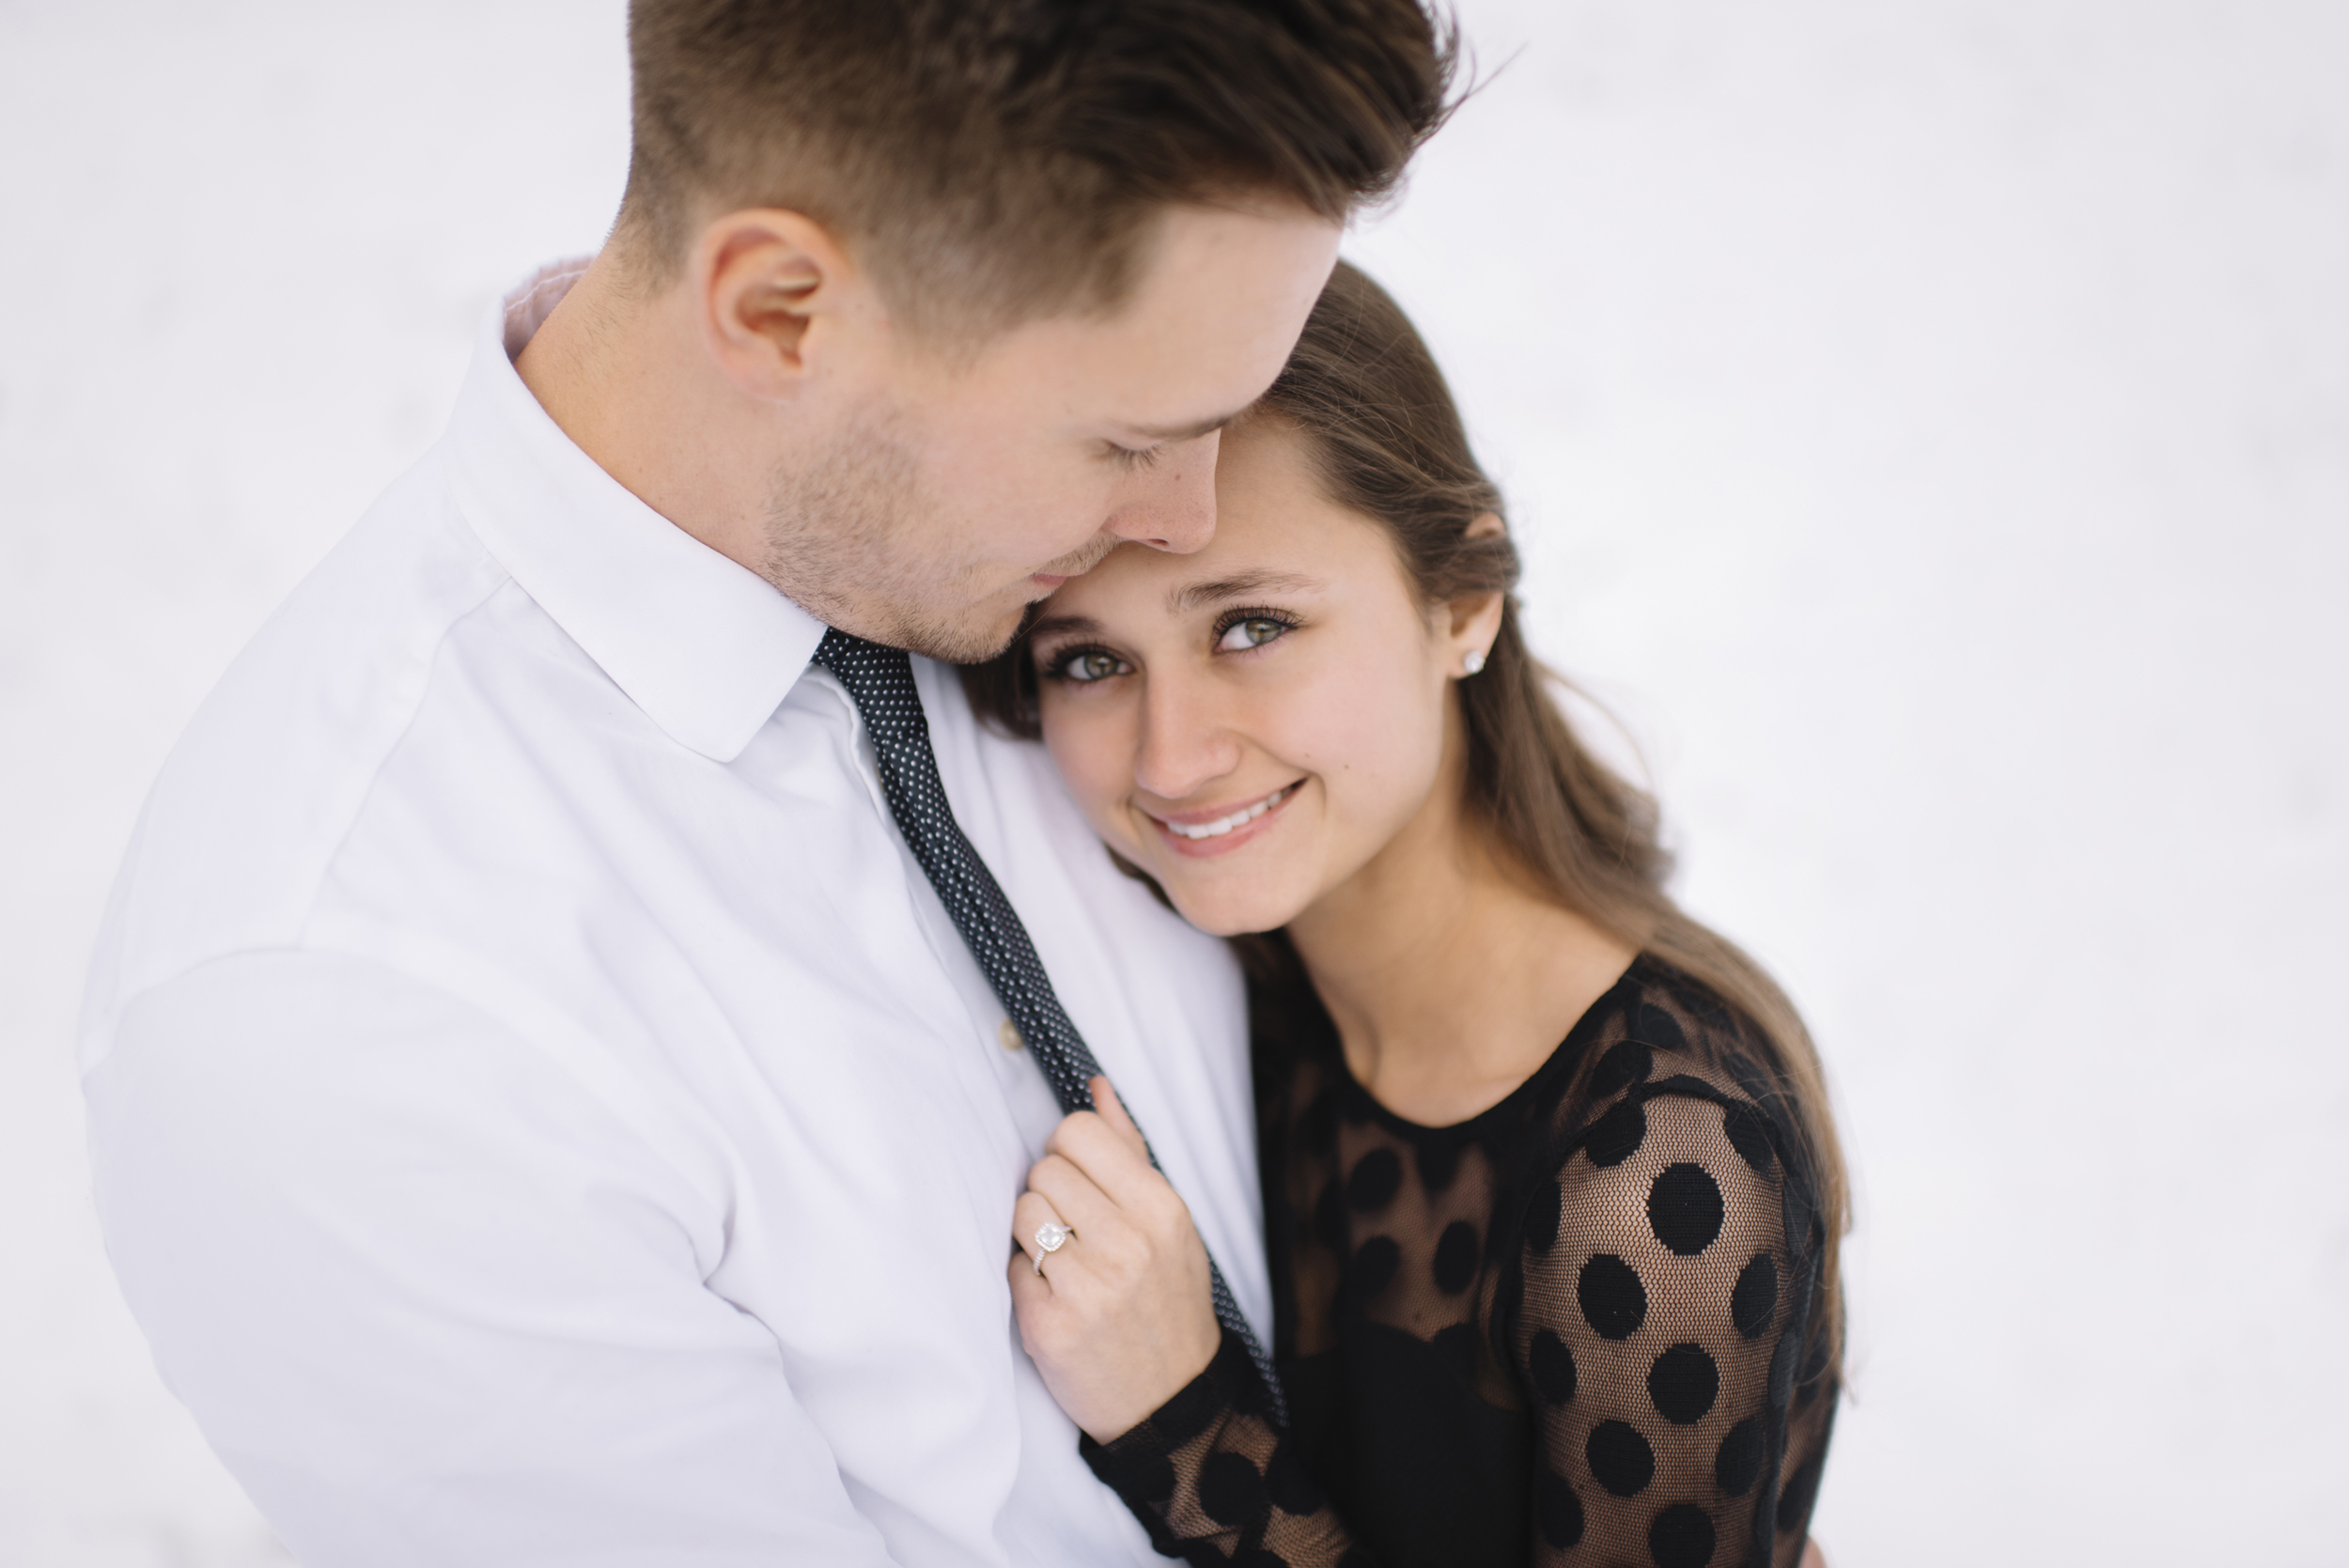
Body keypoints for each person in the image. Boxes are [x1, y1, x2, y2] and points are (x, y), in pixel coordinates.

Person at [78, 8, 1455, 1565]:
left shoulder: (1022, 575)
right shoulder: (346, 1005)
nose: (1185, 515)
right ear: (786, 311)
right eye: (1128, 438)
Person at [963, 262, 1845, 1568]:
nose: (1171, 757)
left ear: (1464, 596)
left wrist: (1184, 1427)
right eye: (1091, 659)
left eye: (1253, 624)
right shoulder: (1226, 985)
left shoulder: (1660, 1159)